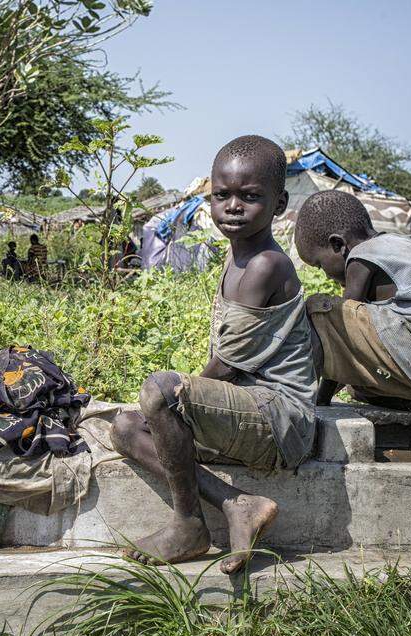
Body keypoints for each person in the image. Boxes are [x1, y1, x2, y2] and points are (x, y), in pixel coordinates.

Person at [110, 135, 317, 574]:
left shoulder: (265, 264)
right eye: (222, 195)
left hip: (280, 417)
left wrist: (172, 405)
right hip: (245, 409)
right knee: (126, 428)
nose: (234, 206)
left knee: (160, 392)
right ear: (209, 198)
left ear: (279, 204)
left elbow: (223, 368)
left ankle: (188, 525)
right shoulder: (237, 255)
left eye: (250, 196)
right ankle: (234, 503)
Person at [294, 190, 411, 454]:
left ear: (338, 245)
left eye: (320, 265)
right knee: (360, 387)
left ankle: (297, 397)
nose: (325, 274)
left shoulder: (361, 258)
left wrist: (318, 401)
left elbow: (341, 331)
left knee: (318, 310)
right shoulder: (398, 245)